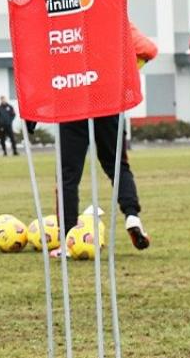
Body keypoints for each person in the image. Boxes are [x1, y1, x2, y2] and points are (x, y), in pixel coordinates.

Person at [55, 22, 158, 251]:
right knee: (117, 166)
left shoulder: (64, 17)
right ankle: (132, 216)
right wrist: (126, 67)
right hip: (108, 98)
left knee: (68, 174)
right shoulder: (112, 16)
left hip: (72, 98)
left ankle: (68, 238)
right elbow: (149, 49)